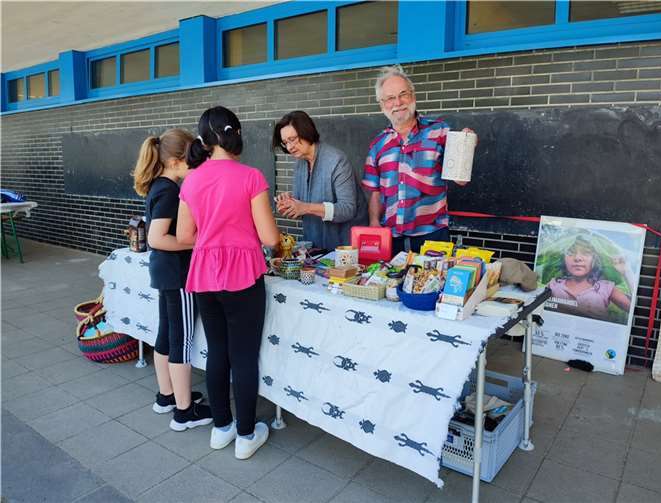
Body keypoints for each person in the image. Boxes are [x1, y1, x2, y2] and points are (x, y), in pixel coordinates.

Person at [177, 106, 280, 459]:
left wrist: (213, 238)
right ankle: (247, 436)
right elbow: (269, 237)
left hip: (205, 272)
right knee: (244, 356)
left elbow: (183, 234)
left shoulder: (191, 180)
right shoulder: (251, 176)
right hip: (244, 274)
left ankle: (222, 428)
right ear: (235, 134)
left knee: (218, 351)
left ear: (204, 141)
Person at [132, 129, 213, 432]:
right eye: (192, 158)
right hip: (178, 275)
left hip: (165, 273)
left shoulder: (160, 185)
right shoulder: (169, 191)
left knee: (166, 335)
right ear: (178, 161)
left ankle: (167, 396)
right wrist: (196, 242)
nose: (196, 163)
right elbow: (157, 238)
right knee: (182, 340)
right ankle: (184, 412)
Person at [362, 65, 474, 256]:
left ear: (412, 96)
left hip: (433, 236)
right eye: (390, 98)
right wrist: (374, 224)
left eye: (403, 94)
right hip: (392, 239)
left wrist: (467, 144)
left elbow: (461, 180)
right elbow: (375, 192)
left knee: (432, 286)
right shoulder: (377, 145)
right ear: (382, 105)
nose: (398, 102)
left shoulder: (439, 132)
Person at [272, 110, 368, 250]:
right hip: (315, 246)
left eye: (292, 139)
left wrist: (305, 207)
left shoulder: (336, 161)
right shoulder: (300, 164)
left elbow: (348, 209)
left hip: (345, 248)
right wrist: (289, 202)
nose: (290, 147)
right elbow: (302, 203)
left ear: (306, 131)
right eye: (285, 142)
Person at [547, 236, 633, 322]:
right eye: (570, 253)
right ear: (563, 258)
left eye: (586, 253)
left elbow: (633, 309)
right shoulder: (554, 285)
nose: (577, 258)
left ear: (595, 259)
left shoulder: (605, 287)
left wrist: (626, 272)